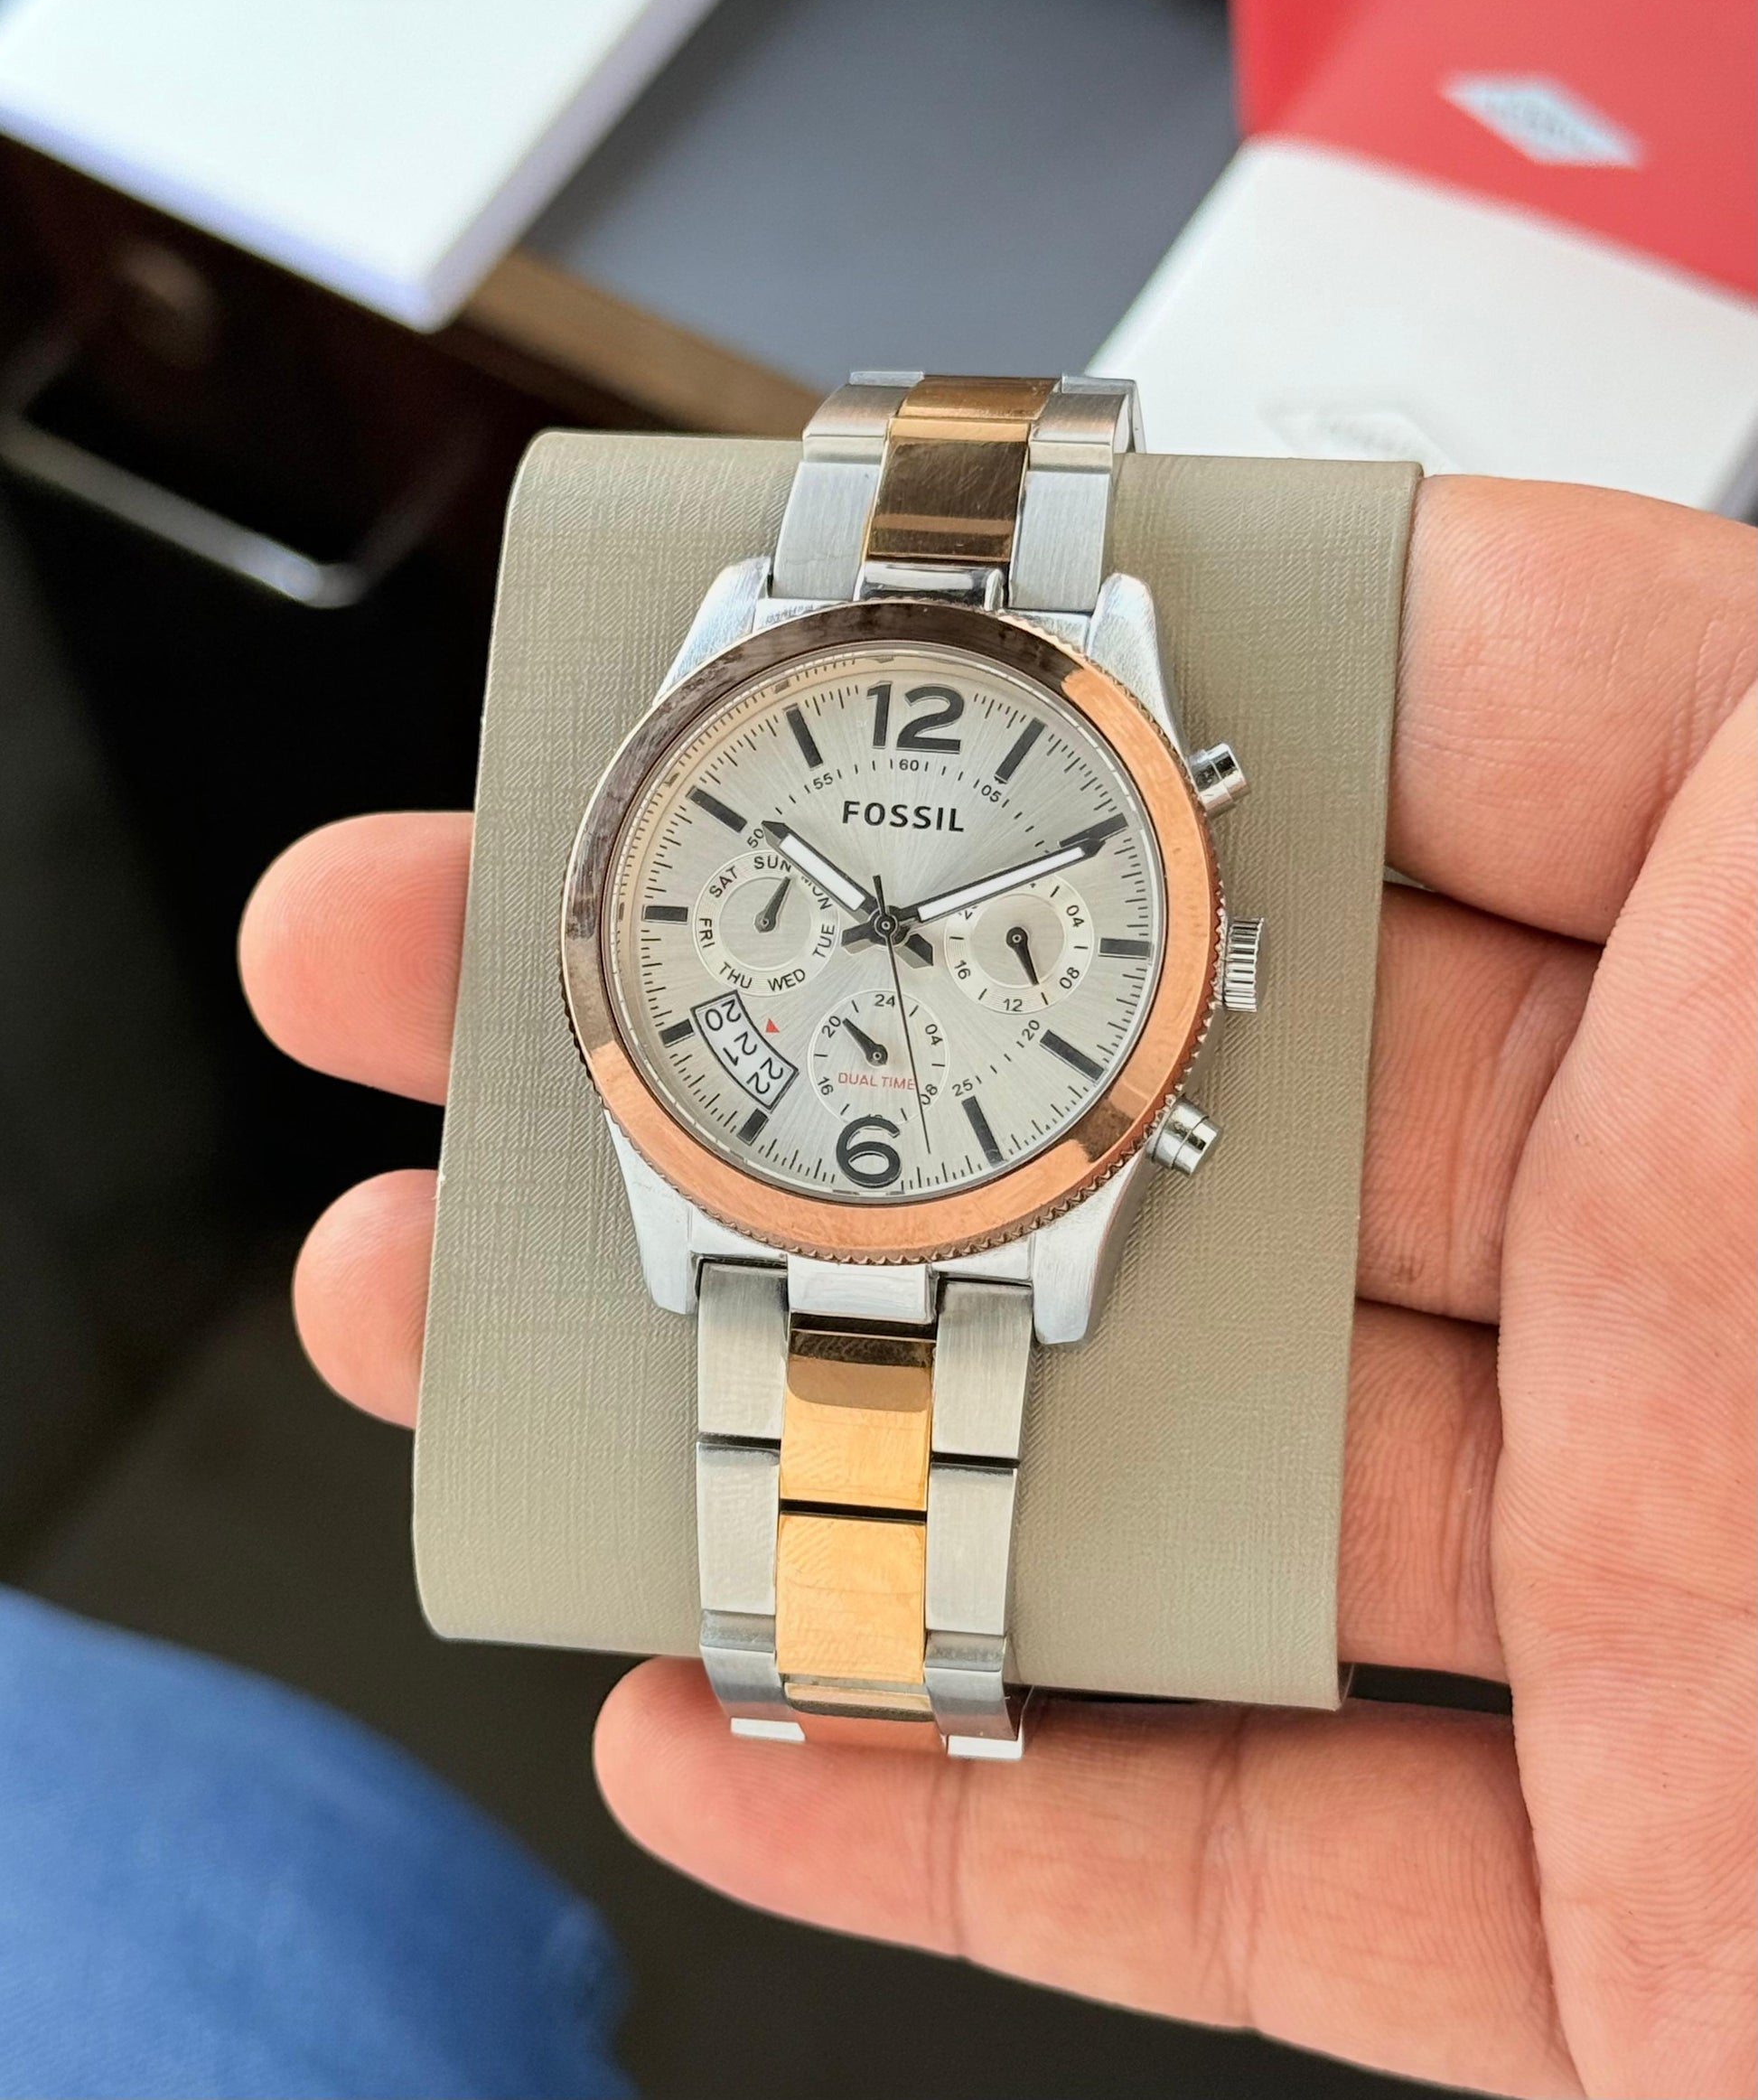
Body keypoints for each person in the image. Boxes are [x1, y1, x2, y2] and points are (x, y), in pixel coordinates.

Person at [239, 474, 1753, 2099]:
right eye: (853, 902)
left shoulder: (1104, 695)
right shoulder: (745, 695)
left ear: (1212, 959)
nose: (890, 925)